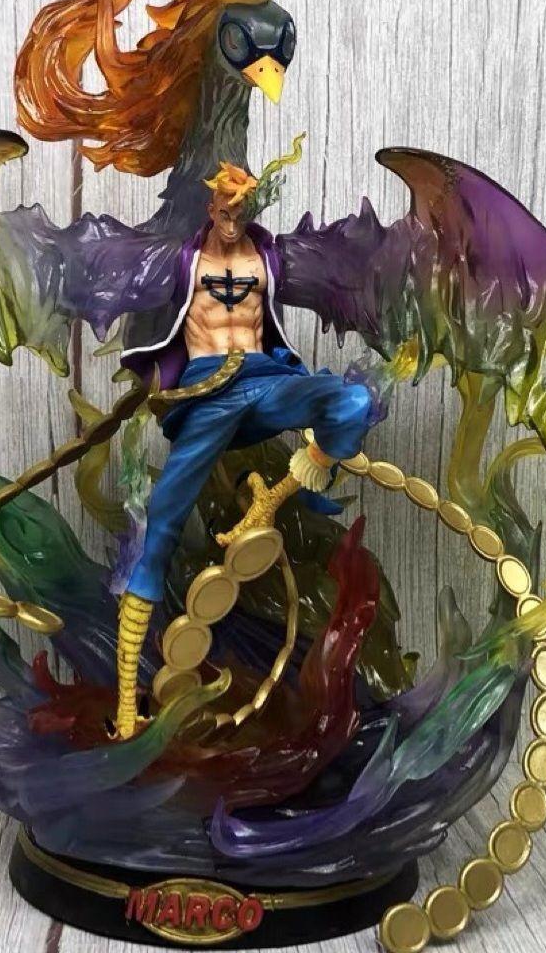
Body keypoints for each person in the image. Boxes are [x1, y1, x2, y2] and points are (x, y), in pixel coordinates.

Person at [114, 162, 373, 737]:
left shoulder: (271, 258)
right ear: (211, 209)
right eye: (224, 212)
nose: (232, 223)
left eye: (241, 212)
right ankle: (127, 706)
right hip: (206, 393)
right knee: (160, 530)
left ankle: (272, 498)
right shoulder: (180, 260)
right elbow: (128, 286)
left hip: (265, 382)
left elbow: (343, 274)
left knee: (353, 403)